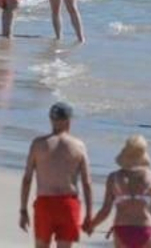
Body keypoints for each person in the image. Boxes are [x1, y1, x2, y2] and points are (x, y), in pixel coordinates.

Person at [19, 102, 92, 248]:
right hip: (68, 204)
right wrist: (89, 215)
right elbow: (86, 182)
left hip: (44, 203)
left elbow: (27, 179)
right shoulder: (78, 146)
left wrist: (23, 210)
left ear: (51, 119)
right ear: (69, 120)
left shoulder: (38, 145)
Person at [85, 135, 151, 248]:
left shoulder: (114, 178)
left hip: (122, 230)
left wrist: (91, 225)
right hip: (146, 229)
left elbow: (105, 210)